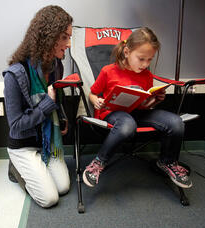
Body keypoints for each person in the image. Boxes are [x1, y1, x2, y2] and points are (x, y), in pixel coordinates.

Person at [82, 27, 192, 189]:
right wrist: (96, 100)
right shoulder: (108, 71)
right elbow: (93, 93)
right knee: (127, 124)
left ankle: (167, 162)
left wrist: (154, 100)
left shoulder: (146, 75)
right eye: (141, 59)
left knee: (176, 122)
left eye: (149, 60)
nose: (145, 64)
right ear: (126, 52)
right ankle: (99, 162)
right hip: (112, 113)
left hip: (138, 112)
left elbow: (144, 105)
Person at [2, 5, 72, 208]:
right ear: (49, 37)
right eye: (64, 37)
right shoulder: (15, 74)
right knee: (49, 199)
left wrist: (61, 115)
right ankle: (16, 167)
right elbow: (15, 125)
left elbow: (55, 99)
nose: (68, 44)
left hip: (46, 142)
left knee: (63, 187)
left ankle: (38, 167)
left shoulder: (55, 65)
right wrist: (47, 106)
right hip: (23, 144)